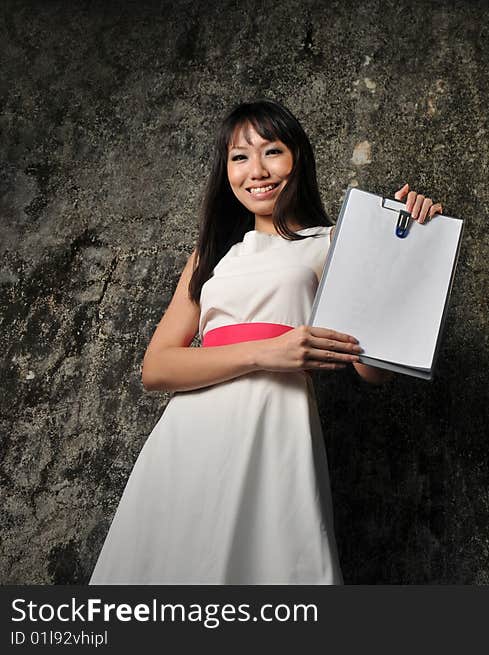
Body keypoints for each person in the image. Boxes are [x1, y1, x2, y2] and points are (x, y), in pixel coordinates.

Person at [88, 99, 444, 584]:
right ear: (226, 170)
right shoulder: (211, 256)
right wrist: (265, 353)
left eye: (271, 151)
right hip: (189, 433)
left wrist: (401, 235)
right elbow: (156, 368)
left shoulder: (332, 242)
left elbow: (372, 370)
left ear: (298, 158)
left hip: (276, 430)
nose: (256, 170)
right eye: (239, 157)